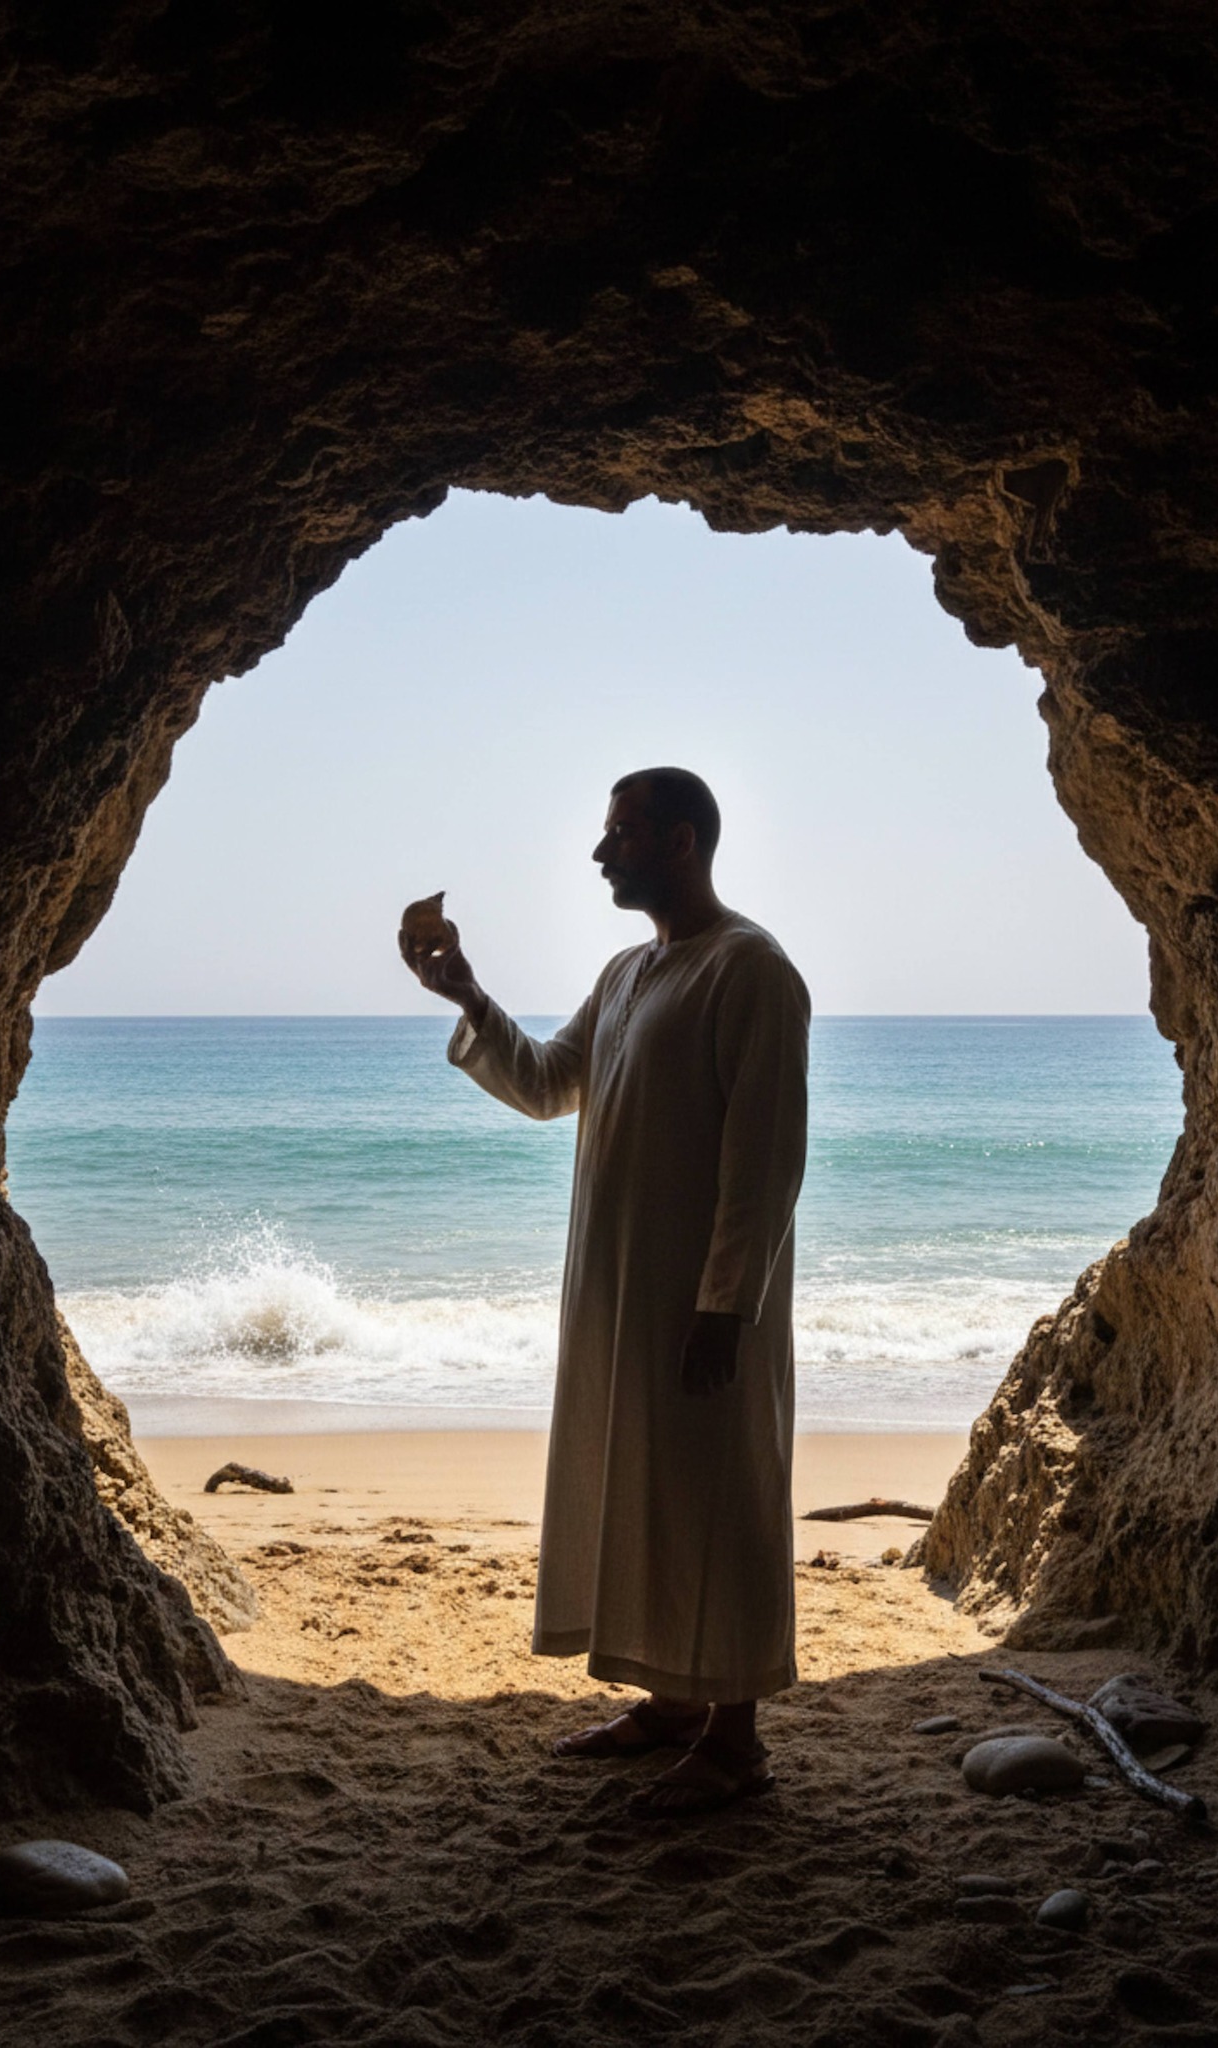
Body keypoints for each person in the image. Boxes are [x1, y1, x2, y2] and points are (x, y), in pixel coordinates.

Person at [401, 768, 809, 1815]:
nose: (599, 851)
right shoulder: (629, 970)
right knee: (649, 1489)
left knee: (722, 1496)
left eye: (618, 833)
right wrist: (468, 997)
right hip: (620, 1289)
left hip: (708, 1302)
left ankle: (735, 1743)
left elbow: (762, 1161)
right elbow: (546, 1082)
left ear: (679, 843)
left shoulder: (752, 970)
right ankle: (673, 1704)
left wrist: (725, 1304)